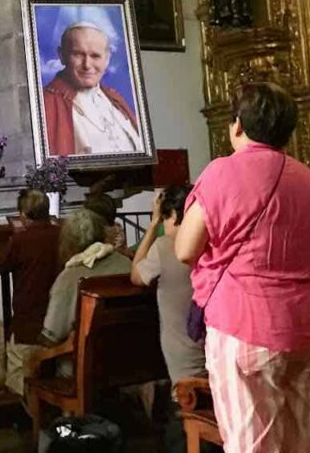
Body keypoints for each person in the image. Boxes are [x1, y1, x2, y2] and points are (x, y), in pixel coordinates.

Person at [176, 82, 310, 453]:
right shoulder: (305, 176)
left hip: (245, 325)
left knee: (252, 445)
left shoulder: (221, 172)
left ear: (237, 126)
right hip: (308, 325)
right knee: (306, 440)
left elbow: (185, 249)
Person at [131, 186, 206, 453]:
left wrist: (152, 227)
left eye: (164, 218)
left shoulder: (165, 246)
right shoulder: (210, 243)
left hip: (185, 369)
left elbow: (136, 276)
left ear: (173, 215)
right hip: (215, 359)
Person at [0, 189, 61, 396]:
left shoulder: (21, 240)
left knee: (19, 378)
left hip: (28, 323)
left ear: (23, 214)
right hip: (57, 320)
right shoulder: (62, 234)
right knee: (51, 373)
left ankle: (32, 417)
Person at [43, 22, 141, 156]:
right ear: (62, 55)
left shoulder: (115, 99)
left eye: (95, 56)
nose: (87, 65)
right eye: (78, 54)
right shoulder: (46, 104)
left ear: (107, 59)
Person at [39, 209, 132, 349]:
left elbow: (52, 337)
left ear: (69, 241)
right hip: (132, 352)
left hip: (88, 362)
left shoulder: (68, 278)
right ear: (103, 233)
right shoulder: (127, 264)